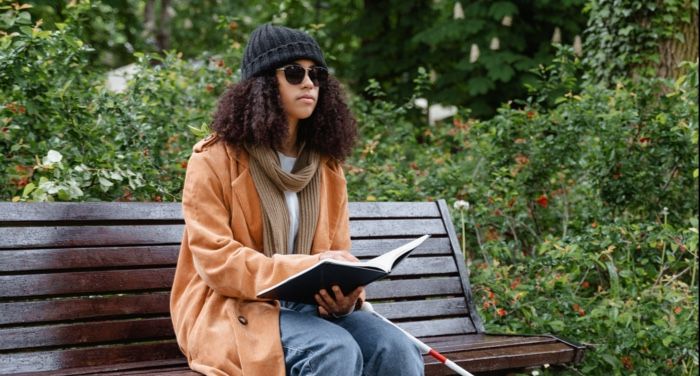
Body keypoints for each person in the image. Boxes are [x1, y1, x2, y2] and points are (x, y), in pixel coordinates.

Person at [170, 23, 425, 376]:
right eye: (294, 72)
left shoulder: (326, 166)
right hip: (232, 310)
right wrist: (303, 267)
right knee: (332, 350)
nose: (308, 83)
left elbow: (336, 252)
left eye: (316, 74)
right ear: (262, 85)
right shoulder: (214, 160)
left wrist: (346, 296)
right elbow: (218, 262)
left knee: (395, 347)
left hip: (309, 309)